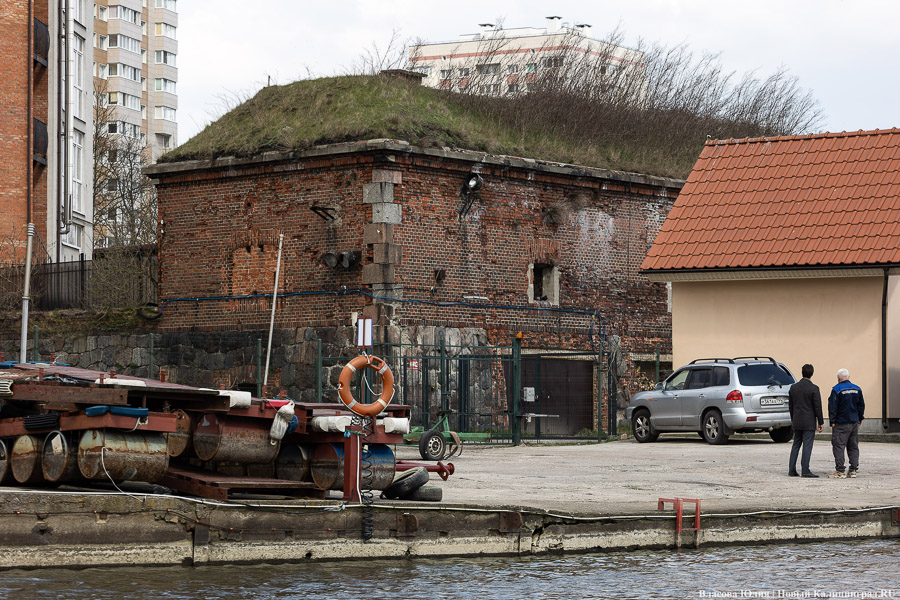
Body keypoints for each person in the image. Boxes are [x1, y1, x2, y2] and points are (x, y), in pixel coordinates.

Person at [827, 368, 865, 479]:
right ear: (848, 377)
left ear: (838, 378)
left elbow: (833, 407)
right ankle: (853, 470)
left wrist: (832, 421)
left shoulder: (836, 389)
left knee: (838, 446)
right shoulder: (857, 389)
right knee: (853, 446)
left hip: (841, 423)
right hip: (854, 422)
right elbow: (861, 405)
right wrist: (860, 418)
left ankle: (840, 471)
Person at [788, 363, 824, 477]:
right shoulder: (814, 388)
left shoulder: (793, 387)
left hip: (797, 420)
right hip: (809, 422)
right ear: (812, 374)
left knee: (796, 445)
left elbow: (790, 406)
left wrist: (793, 418)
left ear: (802, 372)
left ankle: (791, 469)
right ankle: (805, 470)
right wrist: (821, 422)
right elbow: (817, 406)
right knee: (807, 446)